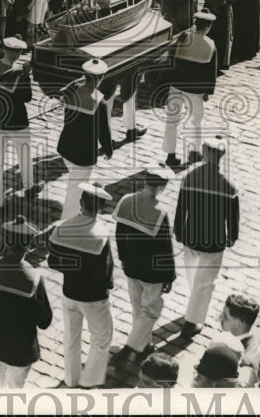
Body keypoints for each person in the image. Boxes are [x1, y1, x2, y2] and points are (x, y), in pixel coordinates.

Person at [46, 181, 115, 389]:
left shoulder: (62, 227)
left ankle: (71, 379)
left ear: (81, 202)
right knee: (102, 337)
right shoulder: (101, 233)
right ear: (101, 207)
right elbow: (106, 271)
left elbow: (52, 261)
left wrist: (74, 269)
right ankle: (89, 380)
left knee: (71, 337)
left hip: (69, 292)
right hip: (93, 297)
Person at [0, 216, 53, 389]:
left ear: (5, 242)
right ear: (29, 246)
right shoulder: (33, 279)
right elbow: (44, 321)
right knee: (16, 391)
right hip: (22, 350)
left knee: (2, 383)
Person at [175, 136, 240, 339]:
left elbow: (181, 208)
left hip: (191, 237)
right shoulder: (229, 187)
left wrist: (178, 231)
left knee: (193, 275)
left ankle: (193, 307)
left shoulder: (189, 178)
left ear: (204, 152)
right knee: (205, 283)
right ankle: (192, 321)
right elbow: (233, 217)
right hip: (214, 241)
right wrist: (232, 237)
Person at [110, 168, 176, 365]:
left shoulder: (126, 201)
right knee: (150, 311)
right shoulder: (160, 212)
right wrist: (169, 275)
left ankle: (144, 347)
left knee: (137, 309)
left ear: (145, 180)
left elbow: (119, 234)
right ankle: (130, 348)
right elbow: (165, 248)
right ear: (162, 186)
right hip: (152, 272)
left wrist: (123, 258)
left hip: (131, 266)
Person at [0, 37, 38, 213]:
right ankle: (29, 188)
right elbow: (27, 97)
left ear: (3, 50)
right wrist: (26, 76)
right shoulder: (19, 73)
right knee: (24, 156)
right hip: (17, 122)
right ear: (19, 54)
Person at [55, 59, 114, 220]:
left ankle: (79, 213)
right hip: (83, 155)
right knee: (75, 191)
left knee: (77, 181)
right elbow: (104, 130)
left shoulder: (73, 91)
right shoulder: (99, 102)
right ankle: (67, 222)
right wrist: (108, 149)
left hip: (65, 147)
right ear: (101, 77)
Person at [162, 11, 217, 168]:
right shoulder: (210, 45)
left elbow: (172, 58)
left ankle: (170, 155)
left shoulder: (183, 38)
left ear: (196, 23)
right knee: (196, 120)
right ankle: (194, 152)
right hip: (195, 88)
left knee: (172, 120)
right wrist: (207, 92)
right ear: (208, 27)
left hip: (176, 84)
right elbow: (210, 73)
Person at [219, 293, 260, 385]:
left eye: (225, 317)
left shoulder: (243, 362)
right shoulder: (251, 339)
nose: (220, 317)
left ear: (239, 324)